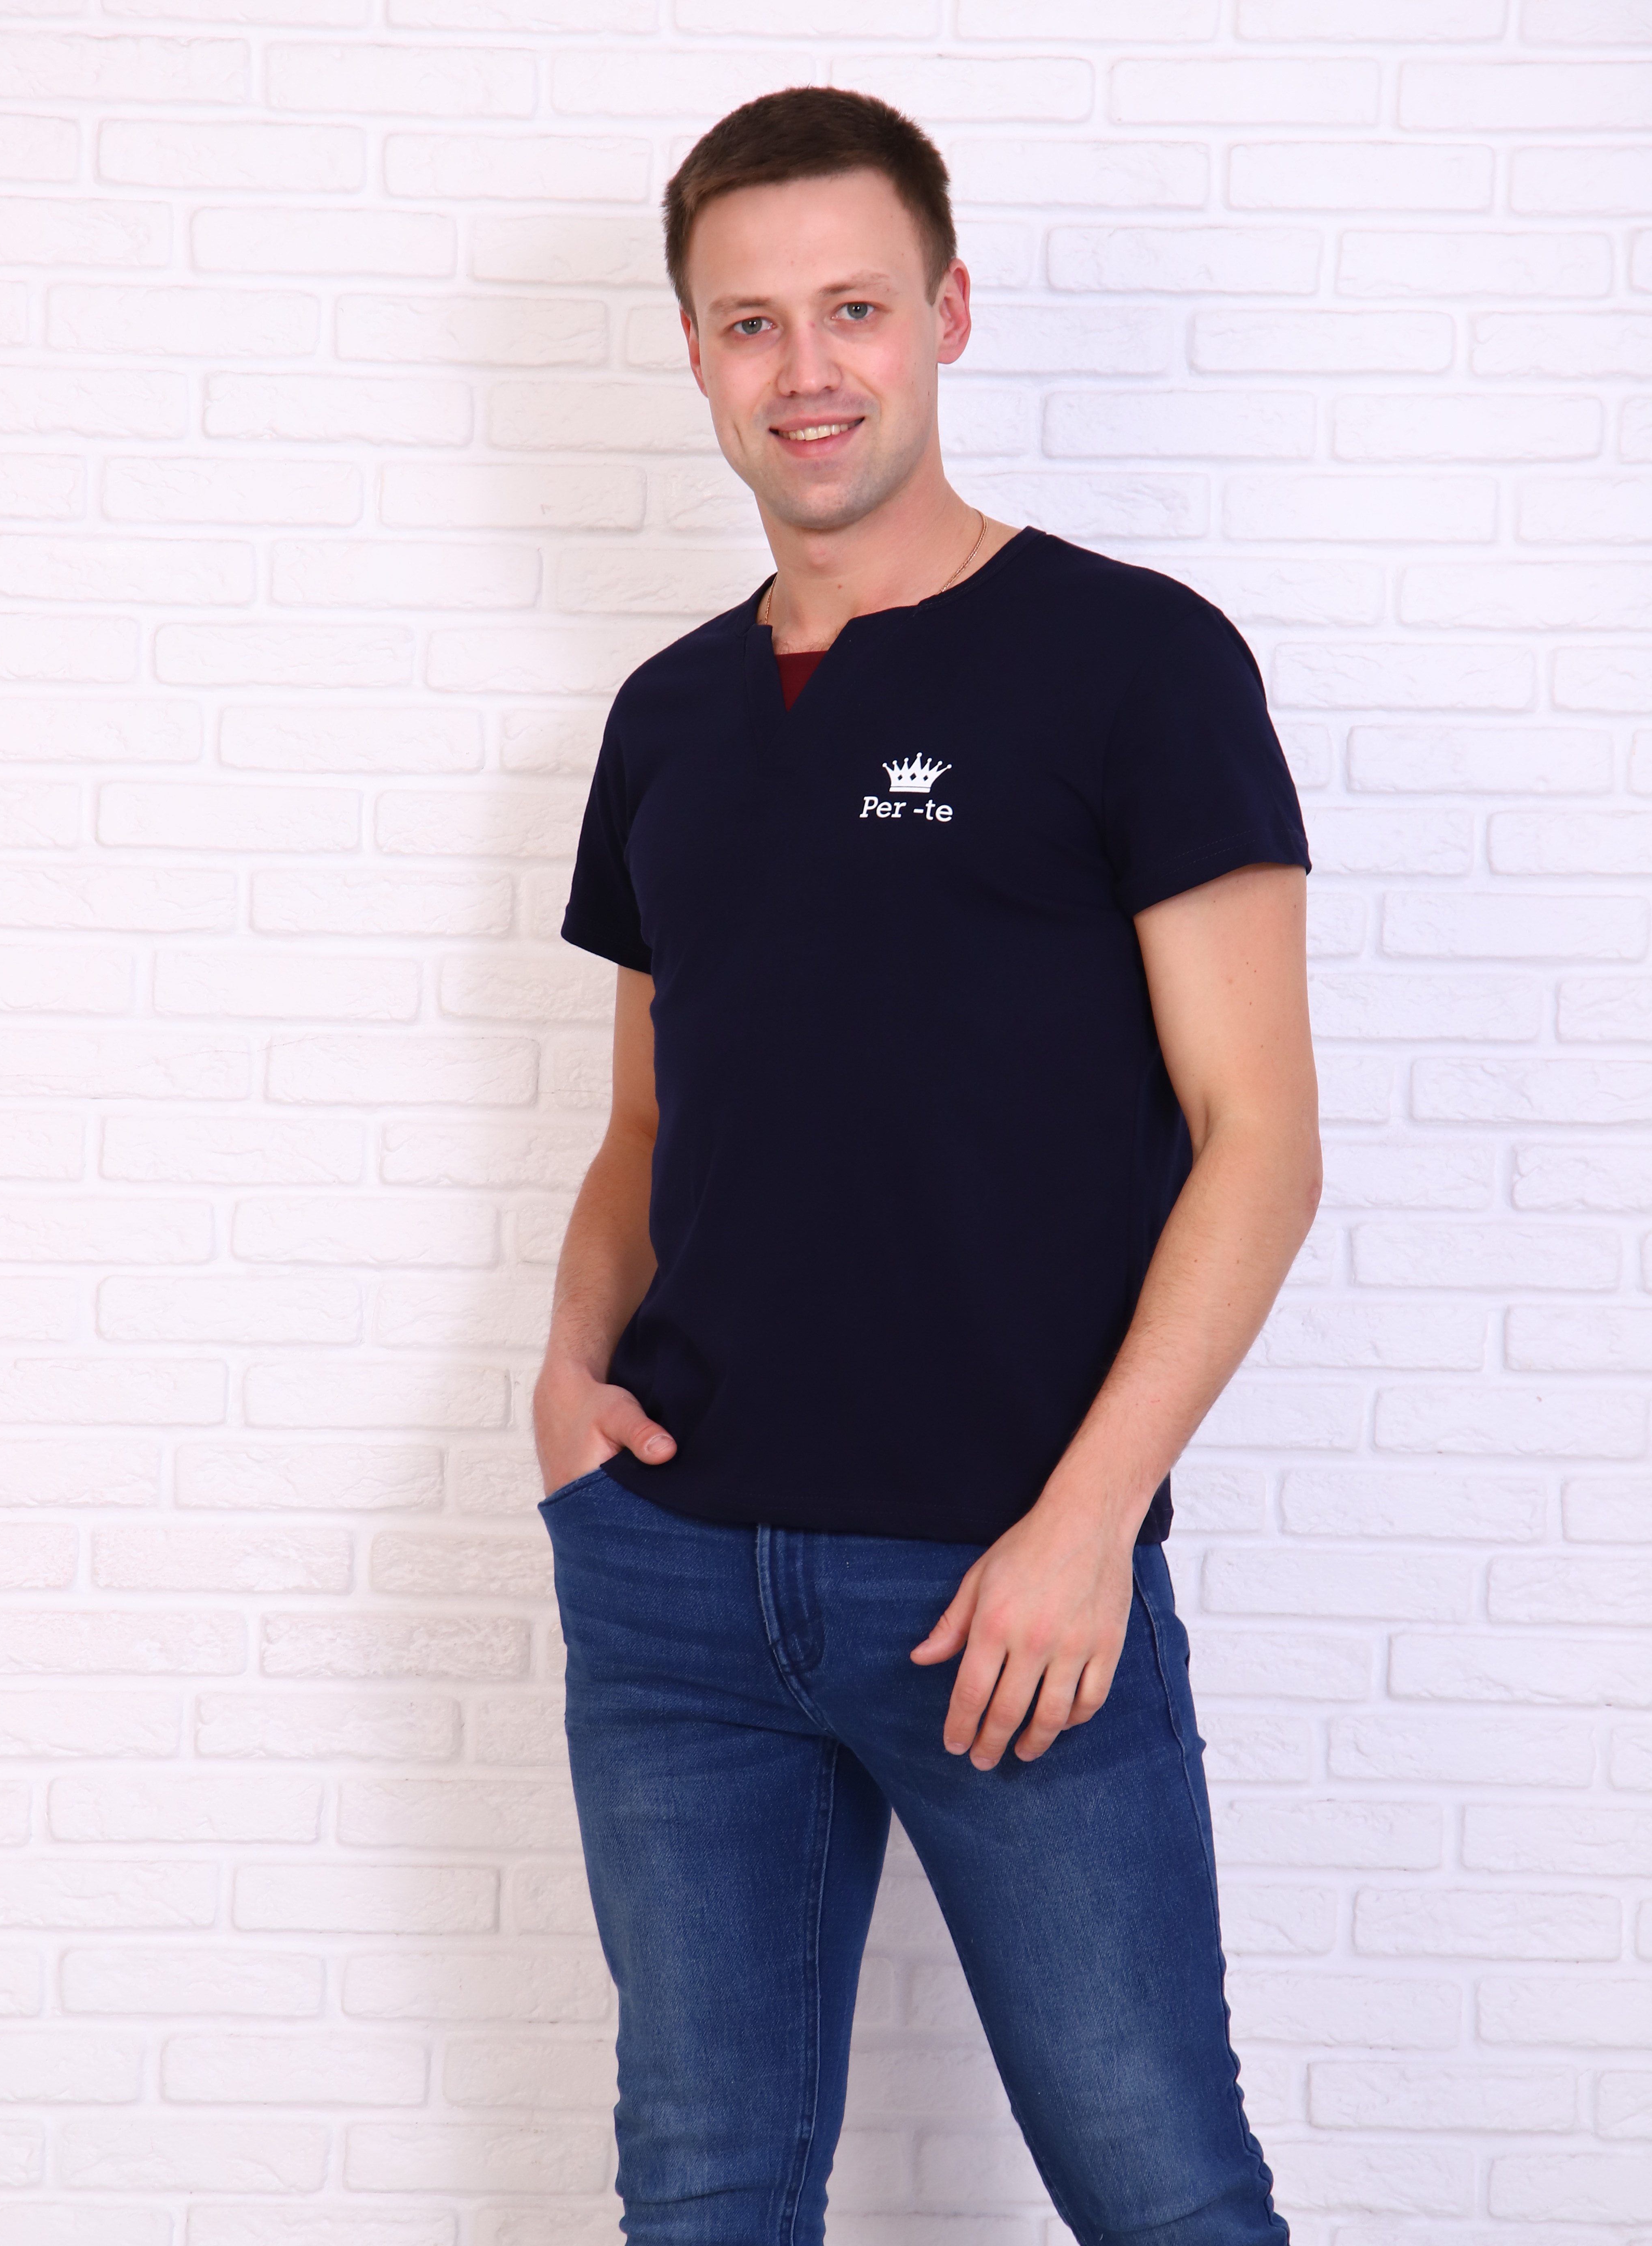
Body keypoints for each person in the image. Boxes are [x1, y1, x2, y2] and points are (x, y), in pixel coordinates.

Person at [533, 84, 1317, 2246]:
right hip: (675, 1593)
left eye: (855, 308)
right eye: (752, 322)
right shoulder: (669, 718)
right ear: (697, 352)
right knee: (703, 2196)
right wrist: (570, 1379)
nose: (808, 369)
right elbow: (647, 1121)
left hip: (1005, 1588)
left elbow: (1261, 1142)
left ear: (948, 314)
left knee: (1163, 2190)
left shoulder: (1136, 663)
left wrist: (1088, 1523)